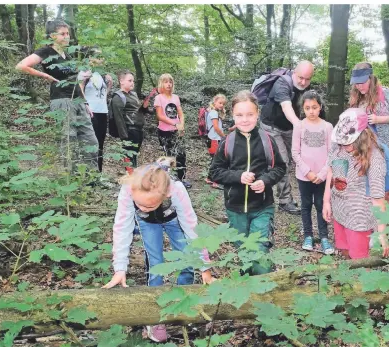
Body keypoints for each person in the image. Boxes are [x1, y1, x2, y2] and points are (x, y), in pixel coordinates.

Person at [103, 157, 214, 342]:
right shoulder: (129, 189)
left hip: (173, 219)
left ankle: (186, 305)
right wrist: (120, 269)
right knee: (156, 263)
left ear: (165, 194)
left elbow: (192, 227)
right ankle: (156, 316)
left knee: (186, 260)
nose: (143, 207)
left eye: (149, 204)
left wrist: (205, 267)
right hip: (148, 224)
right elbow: (122, 228)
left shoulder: (176, 189)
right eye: (139, 204)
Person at [209, 91, 286, 275]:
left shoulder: (267, 140)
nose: (245, 120)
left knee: (259, 253)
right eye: (239, 115)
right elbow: (214, 172)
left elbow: (280, 168)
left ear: (257, 113)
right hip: (235, 209)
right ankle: (245, 292)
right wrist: (238, 176)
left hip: (262, 207)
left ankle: (262, 291)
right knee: (243, 254)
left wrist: (265, 181)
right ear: (232, 115)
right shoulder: (228, 142)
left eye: (250, 114)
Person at [16, 20, 99, 172]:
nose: (67, 37)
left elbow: (75, 81)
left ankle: (92, 177)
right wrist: (44, 75)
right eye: (62, 34)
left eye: (68, 33)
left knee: (90, 141)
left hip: (78, 100)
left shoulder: (67, 55)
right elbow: (21, 65)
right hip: (62, 101)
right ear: (52, 36)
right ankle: (71, 179)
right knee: (69, 141)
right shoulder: (46, 52)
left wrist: (85, 102)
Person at [323, 108, 389, 260]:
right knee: (344, 249)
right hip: (339, 209)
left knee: (360, 258)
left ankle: (360, 282)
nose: (344, 144)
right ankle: (349, 279)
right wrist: (326, 201)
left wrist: (382, 234)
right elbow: (331, 172)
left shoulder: (375, 158)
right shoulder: (337, 147)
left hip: (359, 216)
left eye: (348, 141)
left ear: (362, 135)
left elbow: (378, 198)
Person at [260, 61, 315, 215]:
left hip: (288, 127)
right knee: (282, 162)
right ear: (294, 73)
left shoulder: (305, 87)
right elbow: (286, 107)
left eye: (307, 79)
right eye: (301, 78)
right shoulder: (282, 84)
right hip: (271, 126)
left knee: (295, 158)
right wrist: (298, 124)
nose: (303, 82)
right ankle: (285, 201)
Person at [349, 62, 389, 199]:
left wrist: (379, 119)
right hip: (365, 147)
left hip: (387, 146)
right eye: (356, 83)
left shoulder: (385, 92)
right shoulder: (356, 96)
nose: (359, 86)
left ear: (371, 78)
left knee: (388, 186)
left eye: (362, 82)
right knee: (369, 184)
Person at [291, 91, 334, 254]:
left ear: (320, 107)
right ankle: (308, 235)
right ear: (303, 109)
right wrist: (307, 172)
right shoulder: (299, 126)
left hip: (322, 177)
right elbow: (295, 152)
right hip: (304, 176)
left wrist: (323, 173)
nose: (311, 111)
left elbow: (332, 153)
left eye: (314, 107)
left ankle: (324, 237)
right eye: (307, 108)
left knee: (321, 204)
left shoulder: (327, 127)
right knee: (306, 205)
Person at [111, 70, 156, 173]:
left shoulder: (133, 94)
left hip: (139, 129)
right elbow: (118, 119)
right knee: (129, 155)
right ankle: (130, 178)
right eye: (129, 80)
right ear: (121, 81)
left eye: (133, 81)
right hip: (129, 130)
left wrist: (146, 107)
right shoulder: (118, 97)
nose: (132, 83)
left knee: (135, 154)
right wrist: (124, 136)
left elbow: (139, 110)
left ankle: (133, 176)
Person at [79, 46, 113, 172]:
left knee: (100, 144)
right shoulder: (85, 72)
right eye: (98, 56)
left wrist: (109, 85)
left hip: (102, 112)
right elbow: (79, 88)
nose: (101, 59)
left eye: (101, 56)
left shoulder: (102, 74)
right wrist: (85, 104)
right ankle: (88, 173)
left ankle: (98, 173)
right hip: (90, 112)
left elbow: (102, 95)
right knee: (90, 144)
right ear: (90, 58)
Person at [154, 74, 191, 188]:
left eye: (170, 82)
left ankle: (181, 179)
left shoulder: (175, 97)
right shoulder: (159, 98)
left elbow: (180, 113)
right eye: (166, 82)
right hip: (165, 132)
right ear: (161, 83)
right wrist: (175, 123)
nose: (168, 84)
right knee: (169, 157)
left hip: (177, 131)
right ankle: (169, 180)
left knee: (181, 155)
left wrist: (181, 125)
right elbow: (160, 116)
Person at [205, 94, 227, 190]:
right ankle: (216, 182)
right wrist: (224, 137)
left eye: (223, 104)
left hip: (212, 139)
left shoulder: (212, 112)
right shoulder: (213, 112)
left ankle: (209, 178)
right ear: (215, 102)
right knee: (218, 161)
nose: (221, 105)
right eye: (220, 103)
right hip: (214, 139)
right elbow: (216, 128)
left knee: (214, 160)